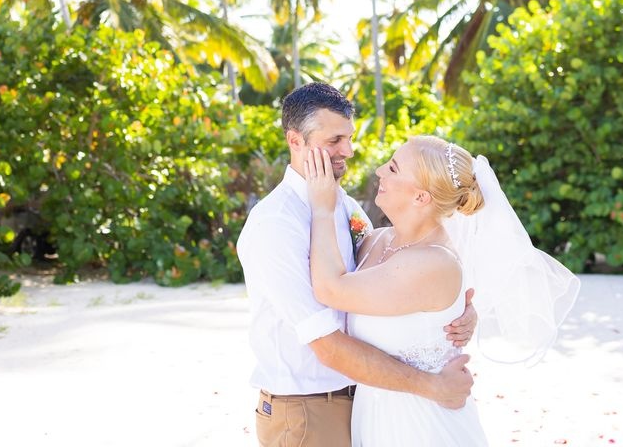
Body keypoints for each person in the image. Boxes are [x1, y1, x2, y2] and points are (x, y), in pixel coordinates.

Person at [236, 83, 478, 447]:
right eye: (334, 140)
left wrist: (454, 312)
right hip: (307, 410)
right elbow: (327, 344)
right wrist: (434, 386)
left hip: (364, 400)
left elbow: (392, 273)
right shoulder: (276, 223)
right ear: (295, 141)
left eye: (349, 138)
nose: (348, 151)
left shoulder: (343, 205)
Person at [306, 135, 581, 446]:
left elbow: (331, 289)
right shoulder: (376, 240)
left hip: (422, 426)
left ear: (421, 197)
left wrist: (322, 208)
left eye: (393, 168)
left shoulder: (434, 262)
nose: (380, 171)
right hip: (375, 417)